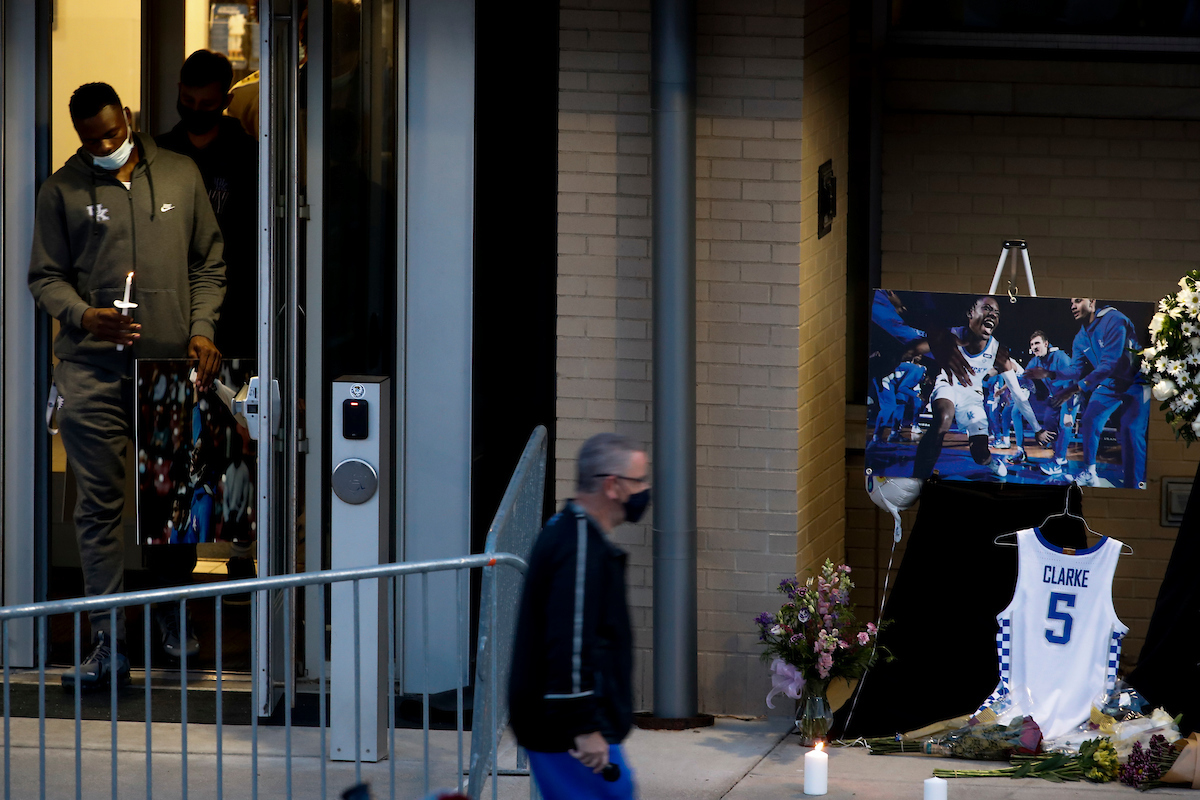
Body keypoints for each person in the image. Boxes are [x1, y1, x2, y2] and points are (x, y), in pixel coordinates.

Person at [29, 82, 225, 689]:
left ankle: (171, 617)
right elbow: (45, 277)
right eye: (91, 139)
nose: (104, 146)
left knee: (172, 505)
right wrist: (85, 316)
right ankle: (107, 644)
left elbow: (208, 262)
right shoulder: (62, 188)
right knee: (99, 511)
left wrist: (201, 328)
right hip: (91, 371)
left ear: (130, 119)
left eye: (112, 133)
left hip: (170, 368)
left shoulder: (181, 174)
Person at [157, 49, 259, 591]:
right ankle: (180, 572)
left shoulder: (247, 156)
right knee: (183, 448)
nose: (195, 110)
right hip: (179, 320)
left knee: (240, 438)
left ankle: (242, 552)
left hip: (241, 314)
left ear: (225, 101)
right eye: (188, 100)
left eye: (207, 103)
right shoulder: (161, 153)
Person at [509, 433, 645, 800]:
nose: (645, 491)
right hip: (569, 732)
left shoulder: (572, 533)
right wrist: (583, 726)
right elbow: (569, 640)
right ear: (613, 486)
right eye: (639, 481)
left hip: (567, 725)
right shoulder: (579, 548)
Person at [912, 296, 1050, 480]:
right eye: (987, 309)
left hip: (973, 399)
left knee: (980, 456)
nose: (992, 314)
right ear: (971, 313)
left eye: (997, 313)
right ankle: (917, 480)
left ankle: (990, 462)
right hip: (948, 386)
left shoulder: (999, 352)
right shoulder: (949, 335)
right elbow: (915, 340)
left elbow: (1017, 393)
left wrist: (1037, 428)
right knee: (943, 418)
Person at [1025, 298, 1149, 488]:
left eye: (1078, 301)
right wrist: (1049, 374)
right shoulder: (1080, 338)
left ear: (1092, 302)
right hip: (1110, 383)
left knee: (1130, 430)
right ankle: (1089, 472)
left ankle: (1135, 485)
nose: (1072, 305)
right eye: (1071, 302)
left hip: (1137, 381)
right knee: (1090, 419)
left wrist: (1072, 390)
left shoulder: (1115, 319)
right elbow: (1075, 370)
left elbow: (1110, 363)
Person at [1011, 331, 1075, 473]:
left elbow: (1070, 385)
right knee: (1048, 424)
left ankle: (1058, 462)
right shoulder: (1035, 360)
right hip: (1053, 396)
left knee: (1065, 424)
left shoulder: (1061, 358)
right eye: (1032, 344)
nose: (1034, 347)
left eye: (1037, 343)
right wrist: (1010, 369)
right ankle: (1060, 455)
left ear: (1046, 344)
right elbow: (1023, 377)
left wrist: (1069, 411)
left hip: (1069, 395)